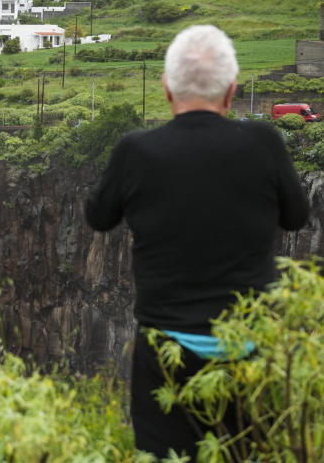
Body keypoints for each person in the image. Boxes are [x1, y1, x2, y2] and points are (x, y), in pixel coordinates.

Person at [84, 25, 308, 459]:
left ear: (167, 87)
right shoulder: (263, 143)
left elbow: (98, 216)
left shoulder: (137, 151)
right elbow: (297, 216)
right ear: (231, 91)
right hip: (250, 346)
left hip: (165, 351)